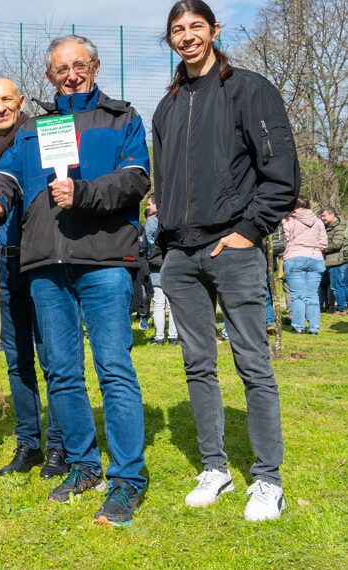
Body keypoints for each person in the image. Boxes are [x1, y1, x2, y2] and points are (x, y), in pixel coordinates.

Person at [0, 35, 149, 525]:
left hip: (104, 262)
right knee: (62, 373)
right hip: (46, 266)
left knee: (114, 368)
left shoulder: (122, 119)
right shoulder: (34, 128)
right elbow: (7, 177)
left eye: (79, 65)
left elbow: (137, 176)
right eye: (61, 69)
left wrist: (87, 192)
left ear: (94, 67)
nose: (71, 74)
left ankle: (127, 480)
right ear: (50, 76)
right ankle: (84, 465)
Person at [152, 0, 299, 521]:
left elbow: (281, 172)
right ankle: (215, 467)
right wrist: (167, 246)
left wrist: (249, 231)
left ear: (214, 31)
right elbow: (164, 180)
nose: (187, 36)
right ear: (170, 38)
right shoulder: (167, 105)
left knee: (253, 364)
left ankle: (267, 479)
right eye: (177, 29)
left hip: (233, 250)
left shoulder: (249, 88)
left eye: (196, 26)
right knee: (197, 365)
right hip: (181, 256)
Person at [0, 77, 67, 479]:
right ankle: (28, 443)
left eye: (6, 100)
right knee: (18, 361)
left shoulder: (42, 138)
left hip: (42, 262)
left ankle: (60, 444)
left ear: (21, 101)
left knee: (53, 357)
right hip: (3, 265)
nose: (0, 108)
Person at [281, 196, 327, 334]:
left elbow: (285, 240)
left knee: (297, 295)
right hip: (315, 257)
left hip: (294, 257)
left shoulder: (287, 220)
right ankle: (314, 328)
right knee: (312, 294)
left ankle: (298, 326)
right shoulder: (318, 221)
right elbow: (324, 243)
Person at [144, 198, 178, 345]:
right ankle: (173, 336)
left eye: (150, 203)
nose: (148, 207)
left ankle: (159, 337)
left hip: (156, 266)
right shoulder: (176, 218)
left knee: (158, 303)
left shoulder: (152, 222)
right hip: (174, 264)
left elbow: (146, 243)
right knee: (172, 304)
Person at [319, 207, 347, 315]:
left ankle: (341, 309)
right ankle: (344, 306)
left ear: (332, 215)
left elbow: (336, 244)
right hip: (334, 259)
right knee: (341, 284)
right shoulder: (330, 226)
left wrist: (321, 248)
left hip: (337, 260)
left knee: (337, 285)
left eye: (324, 216)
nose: (323, 218)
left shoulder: (339, 226)